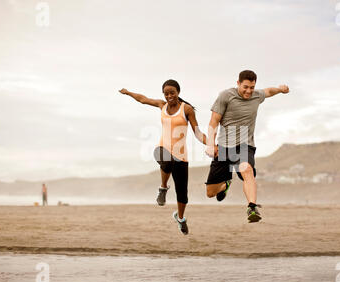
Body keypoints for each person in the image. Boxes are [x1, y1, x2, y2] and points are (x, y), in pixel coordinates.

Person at [119, 80, 207, 235]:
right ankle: (163, 188)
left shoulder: (187, 109)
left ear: (178, 92)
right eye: (166, 93)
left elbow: (198, 133)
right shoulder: (162, 105)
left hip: (181, 156)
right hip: (161, 149)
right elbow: (143, 99)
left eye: (172, 92)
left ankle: (180, 218)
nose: (169, 96)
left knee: (182, 194)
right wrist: (128, 92)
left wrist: (211, 144)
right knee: (166, 162)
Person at [205, 70, 289, 223]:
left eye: (252, 87)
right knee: (210, 193)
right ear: (238, 83)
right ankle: (226, 184)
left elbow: (269, 91)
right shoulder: (226, 96)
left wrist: (281, 89)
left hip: (245, 144)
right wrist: (211, 144)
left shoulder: (257, 96)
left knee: (247, 170)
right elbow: (213, 122)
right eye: (245, 87)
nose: (249, 91)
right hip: (224, 147)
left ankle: (252, 207)